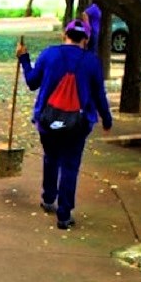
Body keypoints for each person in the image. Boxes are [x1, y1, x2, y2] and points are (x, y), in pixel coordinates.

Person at [16, 19, 112, 230]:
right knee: (70, 165)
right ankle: (64, 214)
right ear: (86, 40)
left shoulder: (49, 54)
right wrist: (107, 119)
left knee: (51, 158)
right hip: (78, 124)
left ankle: (48, 198)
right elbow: (99, 95)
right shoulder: (91, 62)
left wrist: (24, 58)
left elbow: (32, 82)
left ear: (64, 35)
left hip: (48, 120)